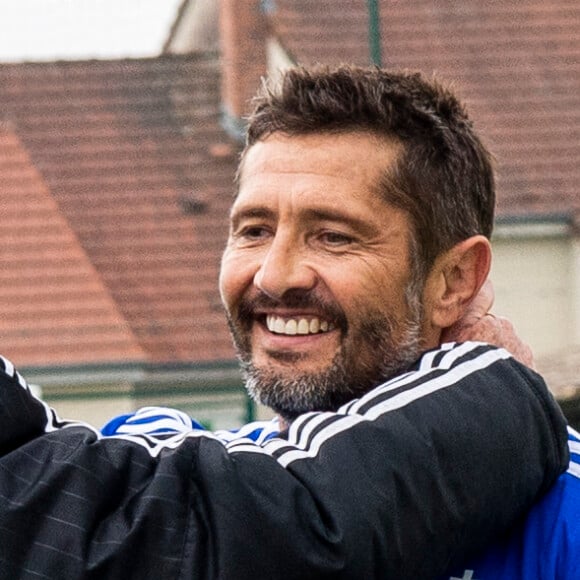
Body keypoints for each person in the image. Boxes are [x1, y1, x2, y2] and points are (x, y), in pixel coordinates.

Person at [0, 65, 570, 579]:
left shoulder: (562, 513)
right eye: (253, 230)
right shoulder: (165, 468)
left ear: (454, 280)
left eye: (334, 236)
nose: (274, 276)